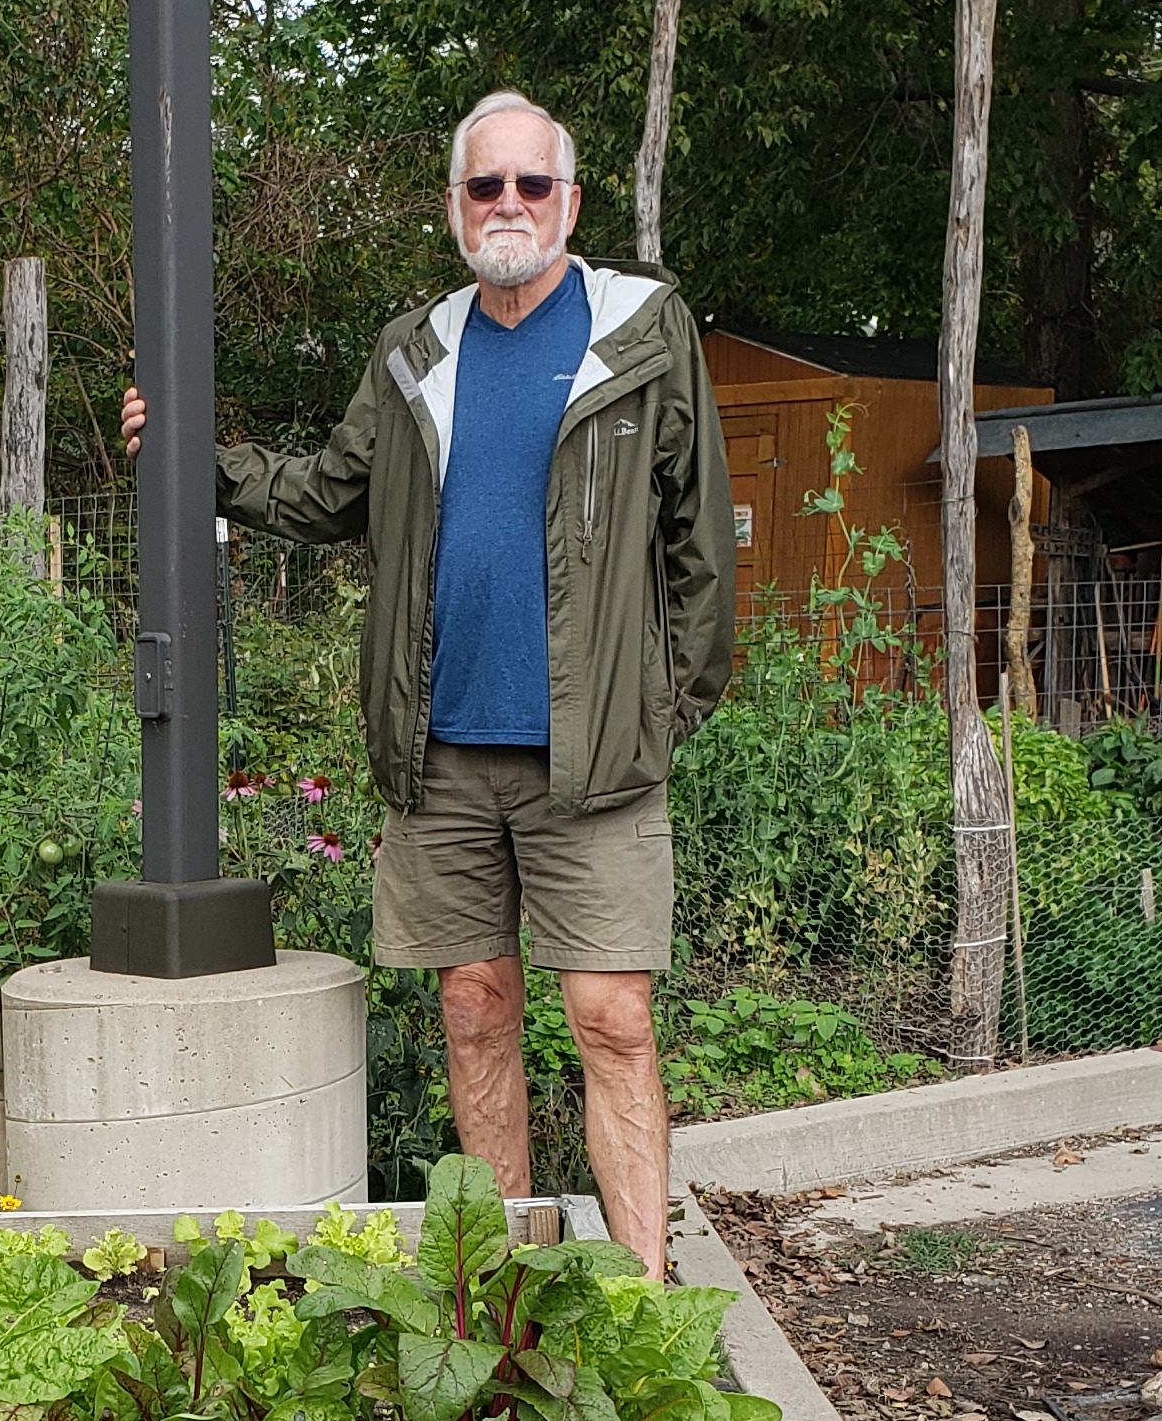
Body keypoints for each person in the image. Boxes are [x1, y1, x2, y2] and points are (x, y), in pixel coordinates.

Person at [120, 88, 736, 1275]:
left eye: (529, 183)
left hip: (592, 756)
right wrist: (196, 460)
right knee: (471, 1009)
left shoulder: (642, 333)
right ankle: (499, 1292)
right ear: (454, 203)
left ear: (570, 199)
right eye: (482, 185)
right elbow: (329, 492)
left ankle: (643, 1300)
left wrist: (660, 713)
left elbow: (698, 552)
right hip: (440, 757)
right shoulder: (419, 348)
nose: (506, 204)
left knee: (610, 1022)